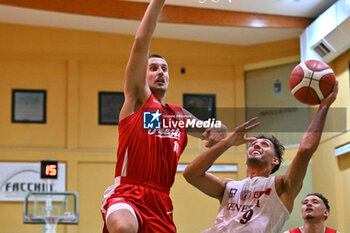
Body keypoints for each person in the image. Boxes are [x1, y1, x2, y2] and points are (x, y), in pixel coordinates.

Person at [100, 1, 226, 233]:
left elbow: (207, 129)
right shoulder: (138, 100)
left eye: (164, 69)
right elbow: (141, 41)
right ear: (142, 74)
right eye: (153, 68)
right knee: (123, 228)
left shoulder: (178, 114)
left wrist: (220, 128)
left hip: (161, 202)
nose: (160, 72)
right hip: (129, 193)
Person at [183, 82, 338, 233]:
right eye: (254, 144)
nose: (256, 145)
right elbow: (190, 174)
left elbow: (305, 150)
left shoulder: (282, 186)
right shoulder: (228, 187)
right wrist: (228, 142)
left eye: (264, 144)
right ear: (245, 159)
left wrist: (323, 107)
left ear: (275, 161)